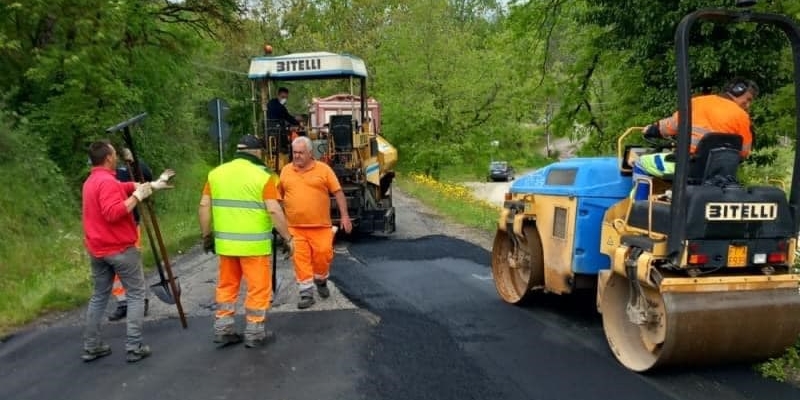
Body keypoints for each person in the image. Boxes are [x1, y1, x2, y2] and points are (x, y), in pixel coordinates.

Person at [81, 140, 174, 363]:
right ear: (108, 158)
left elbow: (126, 187)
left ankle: (91, 346)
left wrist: (153, 185)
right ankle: (134, 346)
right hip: (120, 248)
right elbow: (114, 213)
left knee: (99, 297)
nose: (116, 157)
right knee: (135, 295)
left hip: (98, 249)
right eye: (114, 154)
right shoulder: (107, 183)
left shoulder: (92, 181)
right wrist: (137, 198)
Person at [198, 134, 294, 348]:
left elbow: (204, 207)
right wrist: (288, 238)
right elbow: (274, 210)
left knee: (227, 285)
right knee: (258, 287)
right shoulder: (263, 176)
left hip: (226, 246)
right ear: (258, 152)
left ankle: (223, 329)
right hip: (254, 246)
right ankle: (254, 331)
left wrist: (206, 236)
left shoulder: (216, 174)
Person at [632, 78, 758, 200]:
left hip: (687, 167)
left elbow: (670, 126)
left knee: (640, 163)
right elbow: (744, 152)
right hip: (720, 174)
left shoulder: (697, 102)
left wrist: (652, 129)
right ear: (737, 91)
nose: (747, 105)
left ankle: (638, 207)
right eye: (747, 100)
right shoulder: (742, 116)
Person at [279, 136, 353, 309]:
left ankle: (320, 280)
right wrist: (279, 222)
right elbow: (278, 197)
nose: (296, 156)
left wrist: (344, 216)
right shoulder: (286, 171)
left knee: (323, 255)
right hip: (295, 227)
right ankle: (306, 293)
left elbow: (338, 192)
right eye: (294, 153)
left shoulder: (324, 170)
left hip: (320, 226)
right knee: (300, 259)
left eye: (300, 153)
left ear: (310, 153)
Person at [108, 148, 153, 322]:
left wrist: (134, 162)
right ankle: (122, 303)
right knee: (115, 270)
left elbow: (146, 176)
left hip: (130, 226)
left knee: (132, 265)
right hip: (109, 230)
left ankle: (141, 299)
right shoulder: (98, 180)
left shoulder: (124, 172)